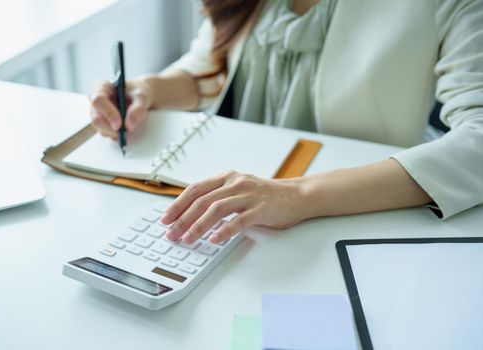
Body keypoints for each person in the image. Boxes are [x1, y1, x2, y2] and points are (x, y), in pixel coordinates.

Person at [90, 0, 483, 245]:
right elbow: (209, 70)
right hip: (240, 213)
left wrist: (298, 196)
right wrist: (147, 89)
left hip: (350, 214)